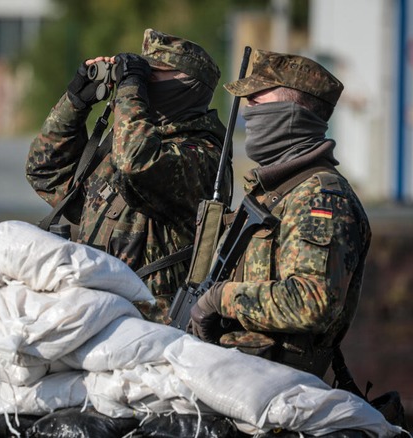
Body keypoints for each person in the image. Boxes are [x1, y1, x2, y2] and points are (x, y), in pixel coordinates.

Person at [26, 29, 231, 322]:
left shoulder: (202, 155)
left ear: (187, 85)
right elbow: (44, 172)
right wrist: (75, 103)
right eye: (141, 74)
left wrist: (130, 87)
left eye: (153, 74)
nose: (144, 83)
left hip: (150, 321)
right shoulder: (128, 140)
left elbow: (136, 162)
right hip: (96, 308)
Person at [190, 49, 372, 379]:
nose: (248, 112)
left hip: (277, 387)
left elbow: (311, 302)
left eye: (257, 101)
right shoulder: (276, 191)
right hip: (239, 375)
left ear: (291, 111)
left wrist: (220, 299)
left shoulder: (320, 197)